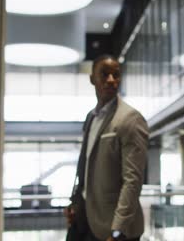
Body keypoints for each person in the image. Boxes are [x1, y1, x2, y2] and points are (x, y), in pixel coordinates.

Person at [65, 55, 149, 241]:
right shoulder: (91, 117)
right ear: (92, 79)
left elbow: (132, 182)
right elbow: (85, 167)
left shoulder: (131, 120)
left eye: (116, 75)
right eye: (104, 74)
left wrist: (117, 231)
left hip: (112, 228)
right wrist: (75, 204)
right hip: (84, 218)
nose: (111, 80)